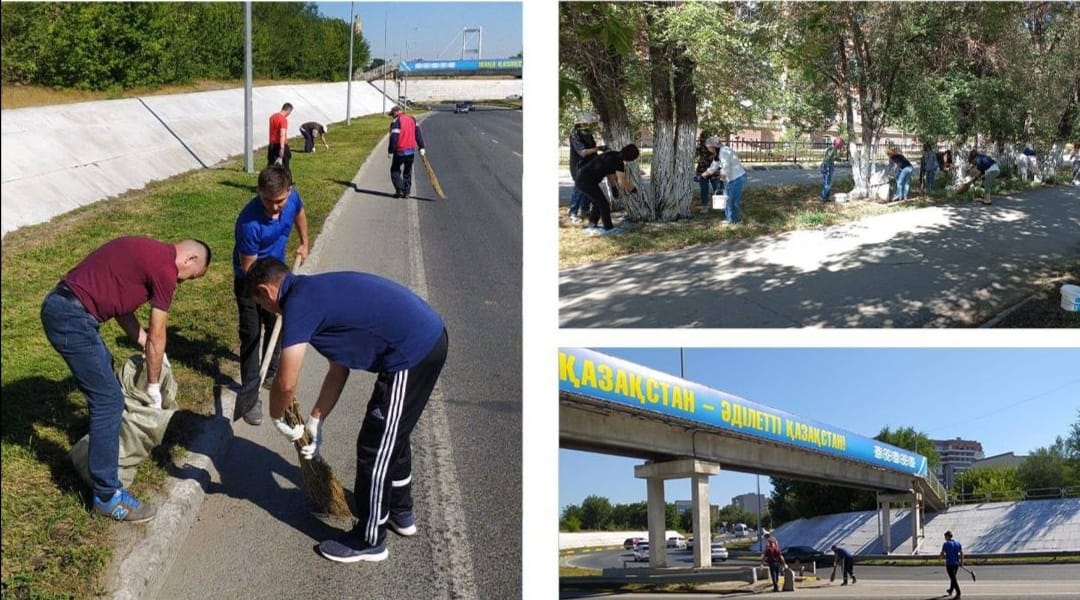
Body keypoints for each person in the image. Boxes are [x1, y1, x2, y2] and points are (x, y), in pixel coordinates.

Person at [245, 257, 448, 563]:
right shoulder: (312, 292)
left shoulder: (298, 305)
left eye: (261, 304)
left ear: (265, 291)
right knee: (393, 434)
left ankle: (370, 540)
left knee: (375, 446)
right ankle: (400, 513)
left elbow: (285, 383)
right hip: (425, 339)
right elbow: (339, 370)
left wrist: (277, 418)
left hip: (412, 351)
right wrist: (315, 420)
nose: (265, 311)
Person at [40, 237, 212, 522]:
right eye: (190, 278)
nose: (183, 283)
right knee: (108, 401)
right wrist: (154, 386)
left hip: (65, 308)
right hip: (71, 317)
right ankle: (108, 497)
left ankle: (95, 451)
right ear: (190, 259)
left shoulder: (149, 253)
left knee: (104, 372)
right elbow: (159, 332)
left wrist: (146, 345)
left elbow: (123, 310)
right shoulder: (166, 269)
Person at [232, 164, 309, 425]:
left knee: (277, 323)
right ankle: (251, 394)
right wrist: (267, 299)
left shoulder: (293, 200)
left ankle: (271, 370)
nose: (274, 207)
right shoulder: (248, 224)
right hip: (251, 281)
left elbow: (299, 213)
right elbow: (249, 270)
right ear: (258, 192)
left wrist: (304, 242)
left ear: (290, 191)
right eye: (267, 200)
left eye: (279, 201)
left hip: (277, 274)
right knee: (252, 334)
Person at [575, 144, 640, 235]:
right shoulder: (619, 162)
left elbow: (609, 174)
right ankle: (609, 229)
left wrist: (614, 188)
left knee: (598, 203)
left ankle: (592, 225)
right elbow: (621, 181)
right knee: (604, 204)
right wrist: (633, 189)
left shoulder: (612, 154)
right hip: (586, 181)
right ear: (630, 158)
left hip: (583, 178)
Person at [701, 136, 748, 223]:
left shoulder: (724, 151)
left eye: (708, 148)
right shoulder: (718, 153)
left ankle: (734, 220)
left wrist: (721, 180)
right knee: (728, 199)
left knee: (732, 200)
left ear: (712, 146)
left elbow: (726, 167)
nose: (708, 150)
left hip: (737, 178)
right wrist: (703, 175)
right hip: (731, 179)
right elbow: (714, 166)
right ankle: (730, 219)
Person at [568, 113, 602, 223]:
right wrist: (598, 148)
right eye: (588, 123)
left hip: (589, 165)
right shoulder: (575, 134)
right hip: (578, 165)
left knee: (589, 187)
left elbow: (592, 148)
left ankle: (585, 210)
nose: (590, 125)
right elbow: (582, 152)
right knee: (579, 188)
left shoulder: (587, 133)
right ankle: (573, 213)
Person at [387, 105, 426, 198]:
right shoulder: (412, 119)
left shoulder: (396, 121)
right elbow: (418, 134)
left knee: (395, 171)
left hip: (400, 151)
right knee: (407, 172)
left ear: (396, 112)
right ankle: (406, 192)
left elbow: (394, 137)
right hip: (411, 151)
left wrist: (390, 151)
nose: (392, 116)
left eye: (392, 114)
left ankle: (401, 189)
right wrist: (421, 147)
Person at [695, 131, 724, 209]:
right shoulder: (700, 146)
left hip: (713, 170)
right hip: (703, 170)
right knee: (705, 189)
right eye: (702, 138)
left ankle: (720, 206)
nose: (702, 139)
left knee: (717, 187)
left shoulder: (714, 147)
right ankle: (705, 205)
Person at [268, 103, 293, 169]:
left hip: (272, 144)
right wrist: (282, 148)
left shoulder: (272, 117)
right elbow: (282, 134)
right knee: (285, 165)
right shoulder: (283, 119)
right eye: (290, 112)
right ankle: (285, 178)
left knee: (271, 165)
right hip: (280, 144)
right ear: (288, 110)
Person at [940, 530, 964, 598]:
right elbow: (961, 553)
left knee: (953, 578)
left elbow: (942, 553)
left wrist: (940, 558)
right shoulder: (957, 543)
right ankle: (950, 590)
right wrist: (962, 562)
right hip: (956, 564)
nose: (945, 538)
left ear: (947, 536)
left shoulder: (946, 544)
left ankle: (958, 593)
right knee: (953, 577)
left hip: (949, 564)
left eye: (945, 537)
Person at [820, 137, 843, 202]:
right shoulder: (832, 149)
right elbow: (828, 157)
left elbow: (833, 158)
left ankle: (827, 198)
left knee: (828, 183)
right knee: (827, 184)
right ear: (838, 144)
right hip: (827, 167)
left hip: (828, 166)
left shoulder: (832, 149)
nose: (841, 147)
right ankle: (823, 198)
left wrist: (840, 159)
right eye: (841, 145)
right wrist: (835, 149)